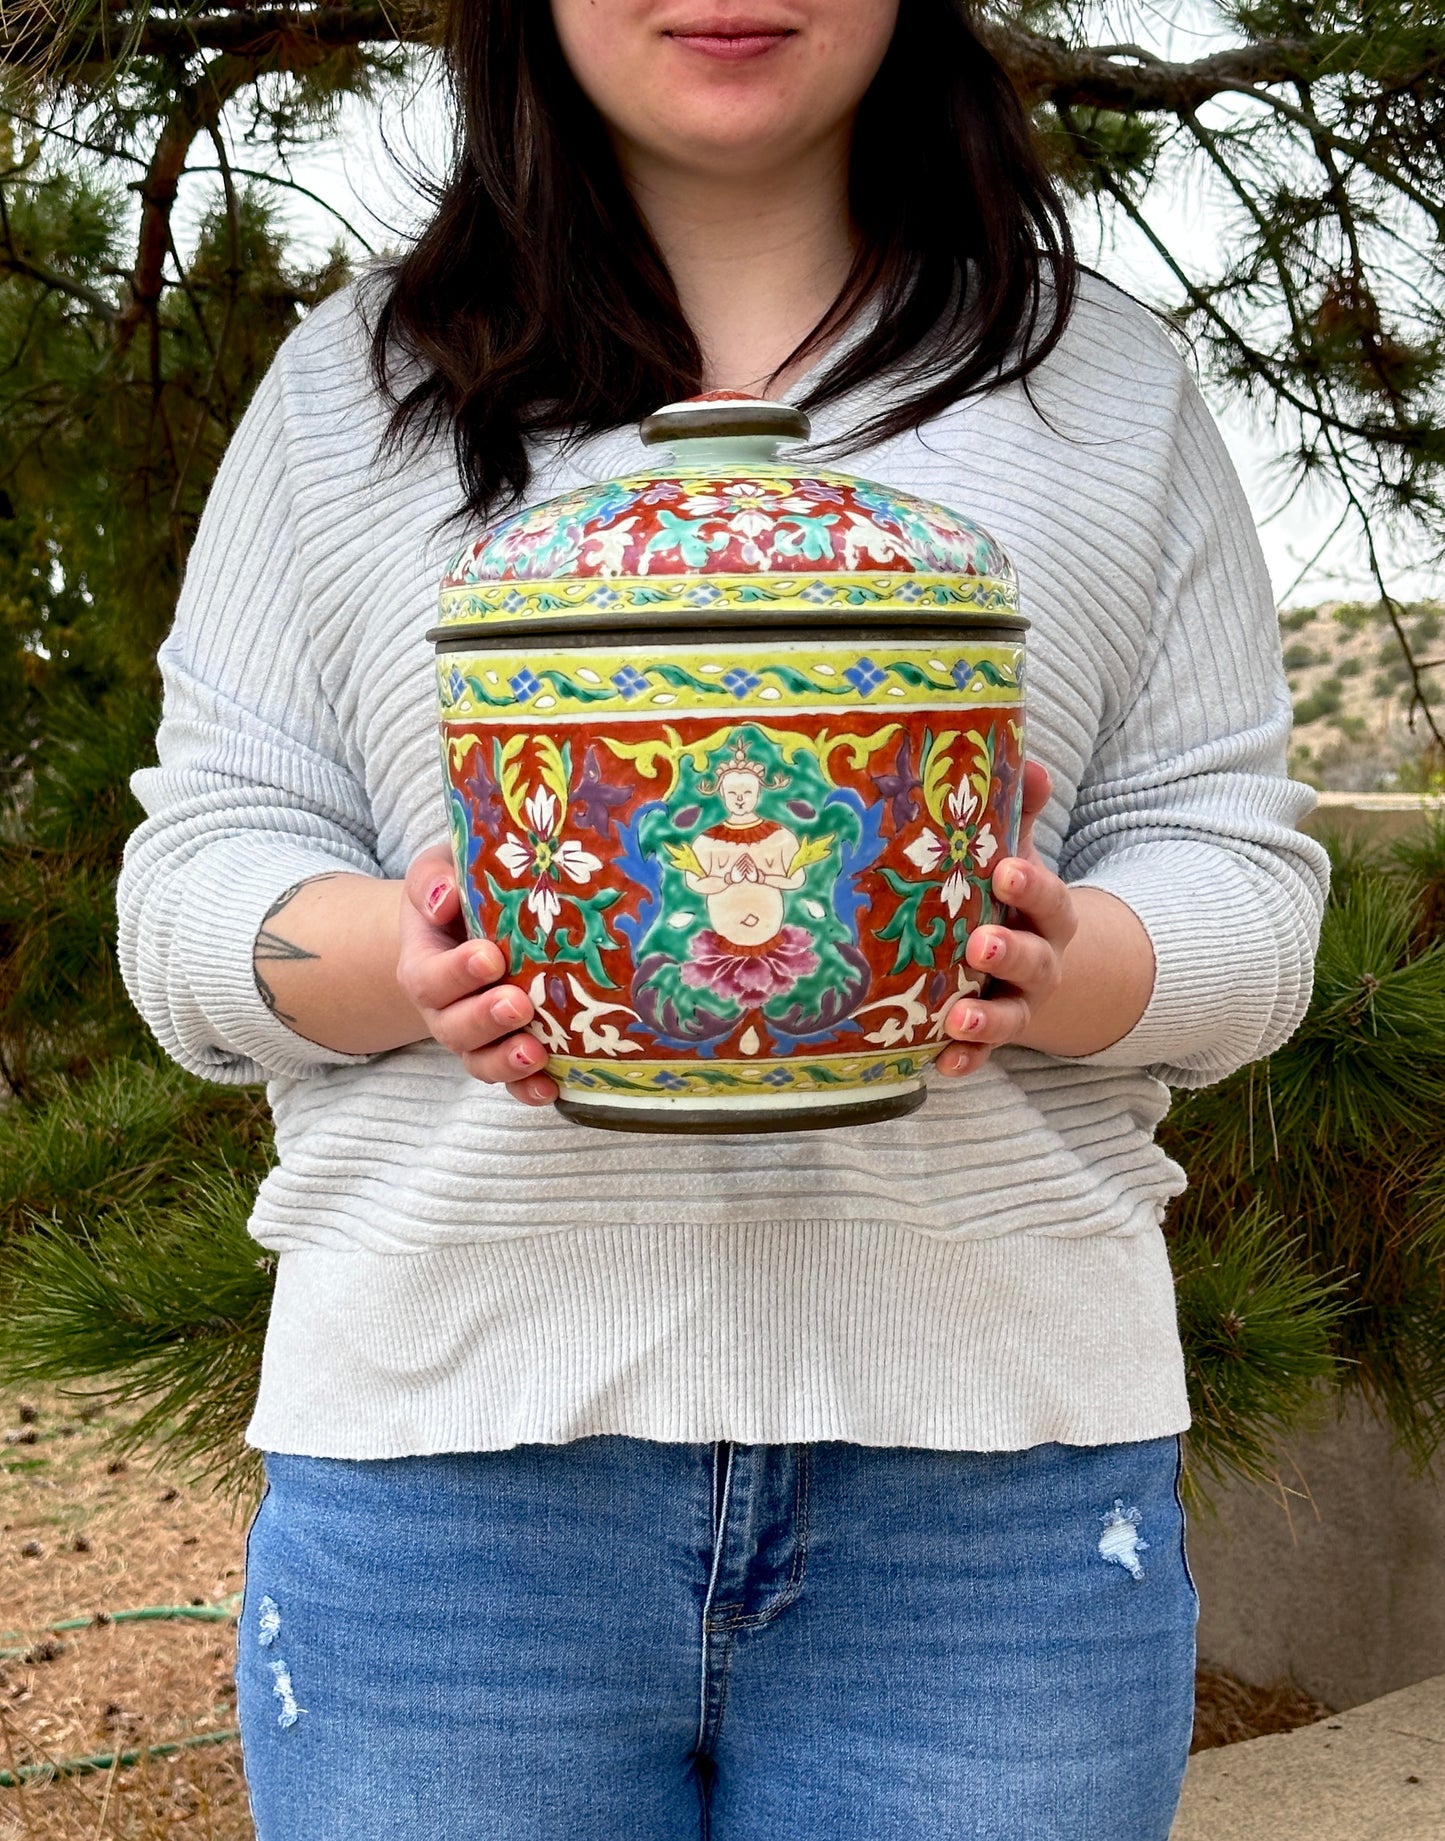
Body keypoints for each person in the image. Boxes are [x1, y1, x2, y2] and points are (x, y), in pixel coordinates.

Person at [115, 0, 1328, 1832]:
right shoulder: (349, 391)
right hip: (450, 1487)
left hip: (992, 1491)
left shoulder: (1098, 387)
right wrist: (403, 958)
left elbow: (1243, 880)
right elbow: (191, 876)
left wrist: (1059, 963)